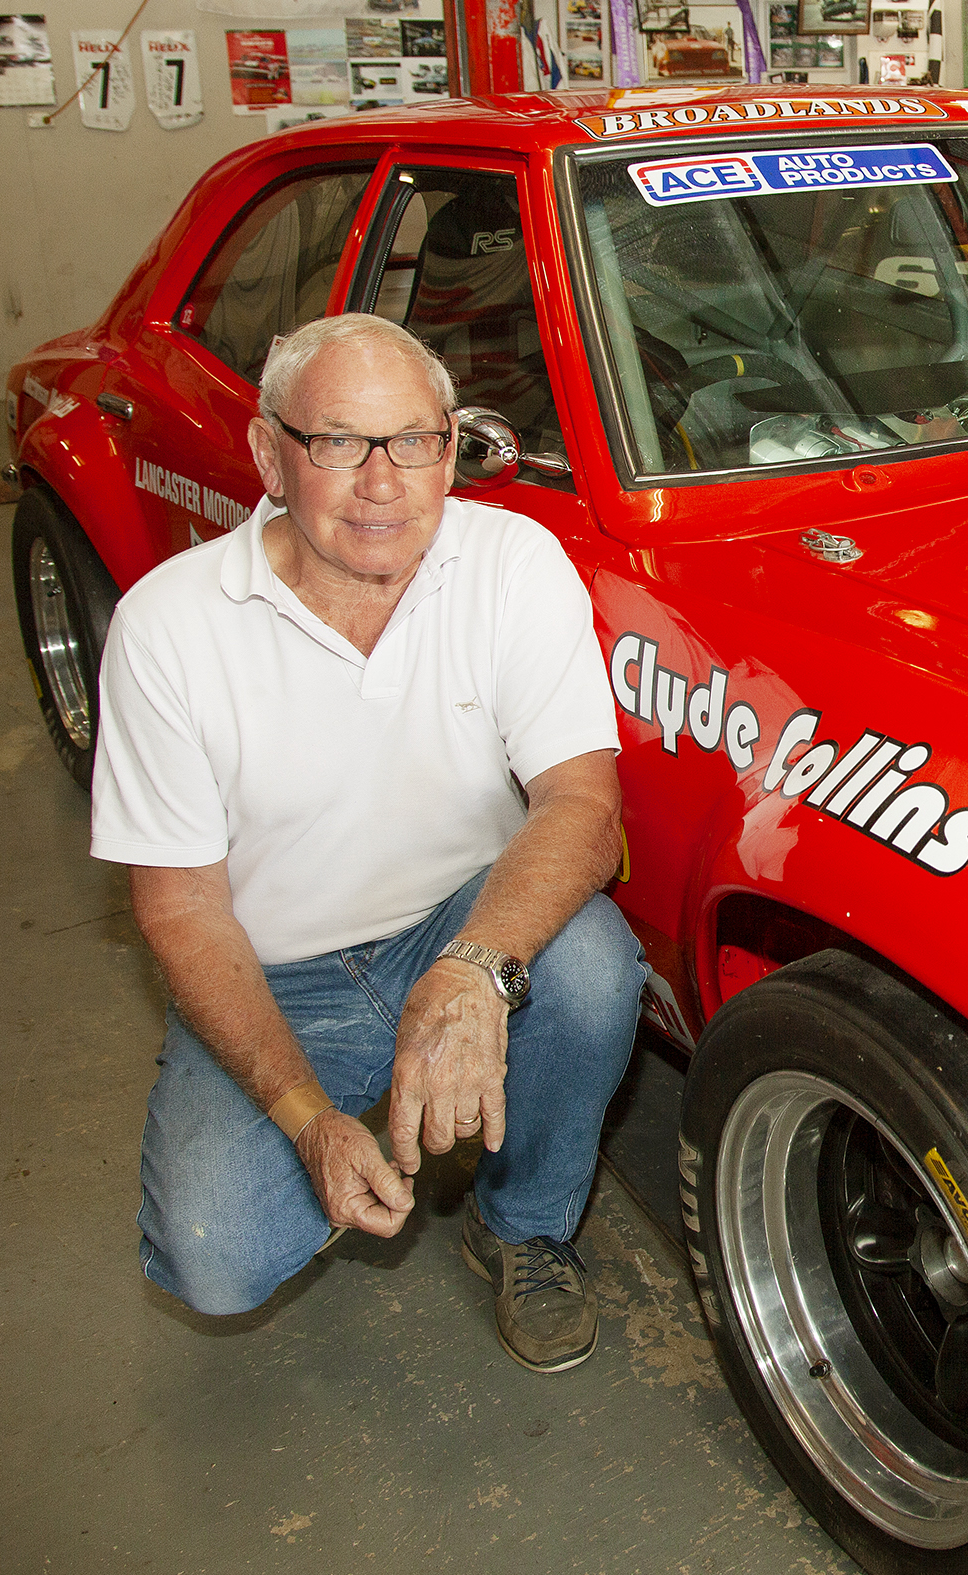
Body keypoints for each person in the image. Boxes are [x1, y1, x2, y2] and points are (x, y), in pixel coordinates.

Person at [92, 312, 644, 1373]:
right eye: (338, 443)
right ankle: (363, 1097)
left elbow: (580, 803)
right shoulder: (169, 627)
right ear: (268, 453)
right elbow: (180, 907)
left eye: (415, 442)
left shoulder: (511, 563)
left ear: (452, 445)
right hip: (282, 970)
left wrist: (472, 972)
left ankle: (523, 1223)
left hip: (461, 921)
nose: (383, 483)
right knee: (213, 1259)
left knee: (589, 967)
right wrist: (305, 1119)